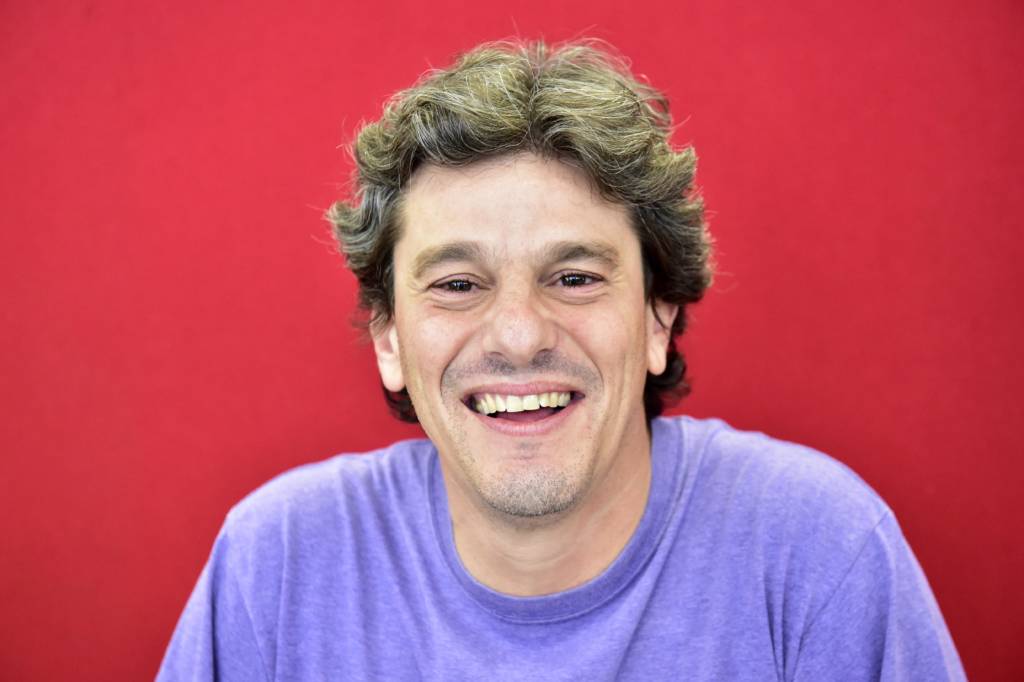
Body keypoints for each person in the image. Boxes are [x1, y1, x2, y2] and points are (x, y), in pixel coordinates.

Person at [158, 40, 965, 680]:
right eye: (458, 284)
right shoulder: (276, 567)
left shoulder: (819, 551)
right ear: (389, 340)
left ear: (657, 317)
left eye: (574, 278)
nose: (518, 335)